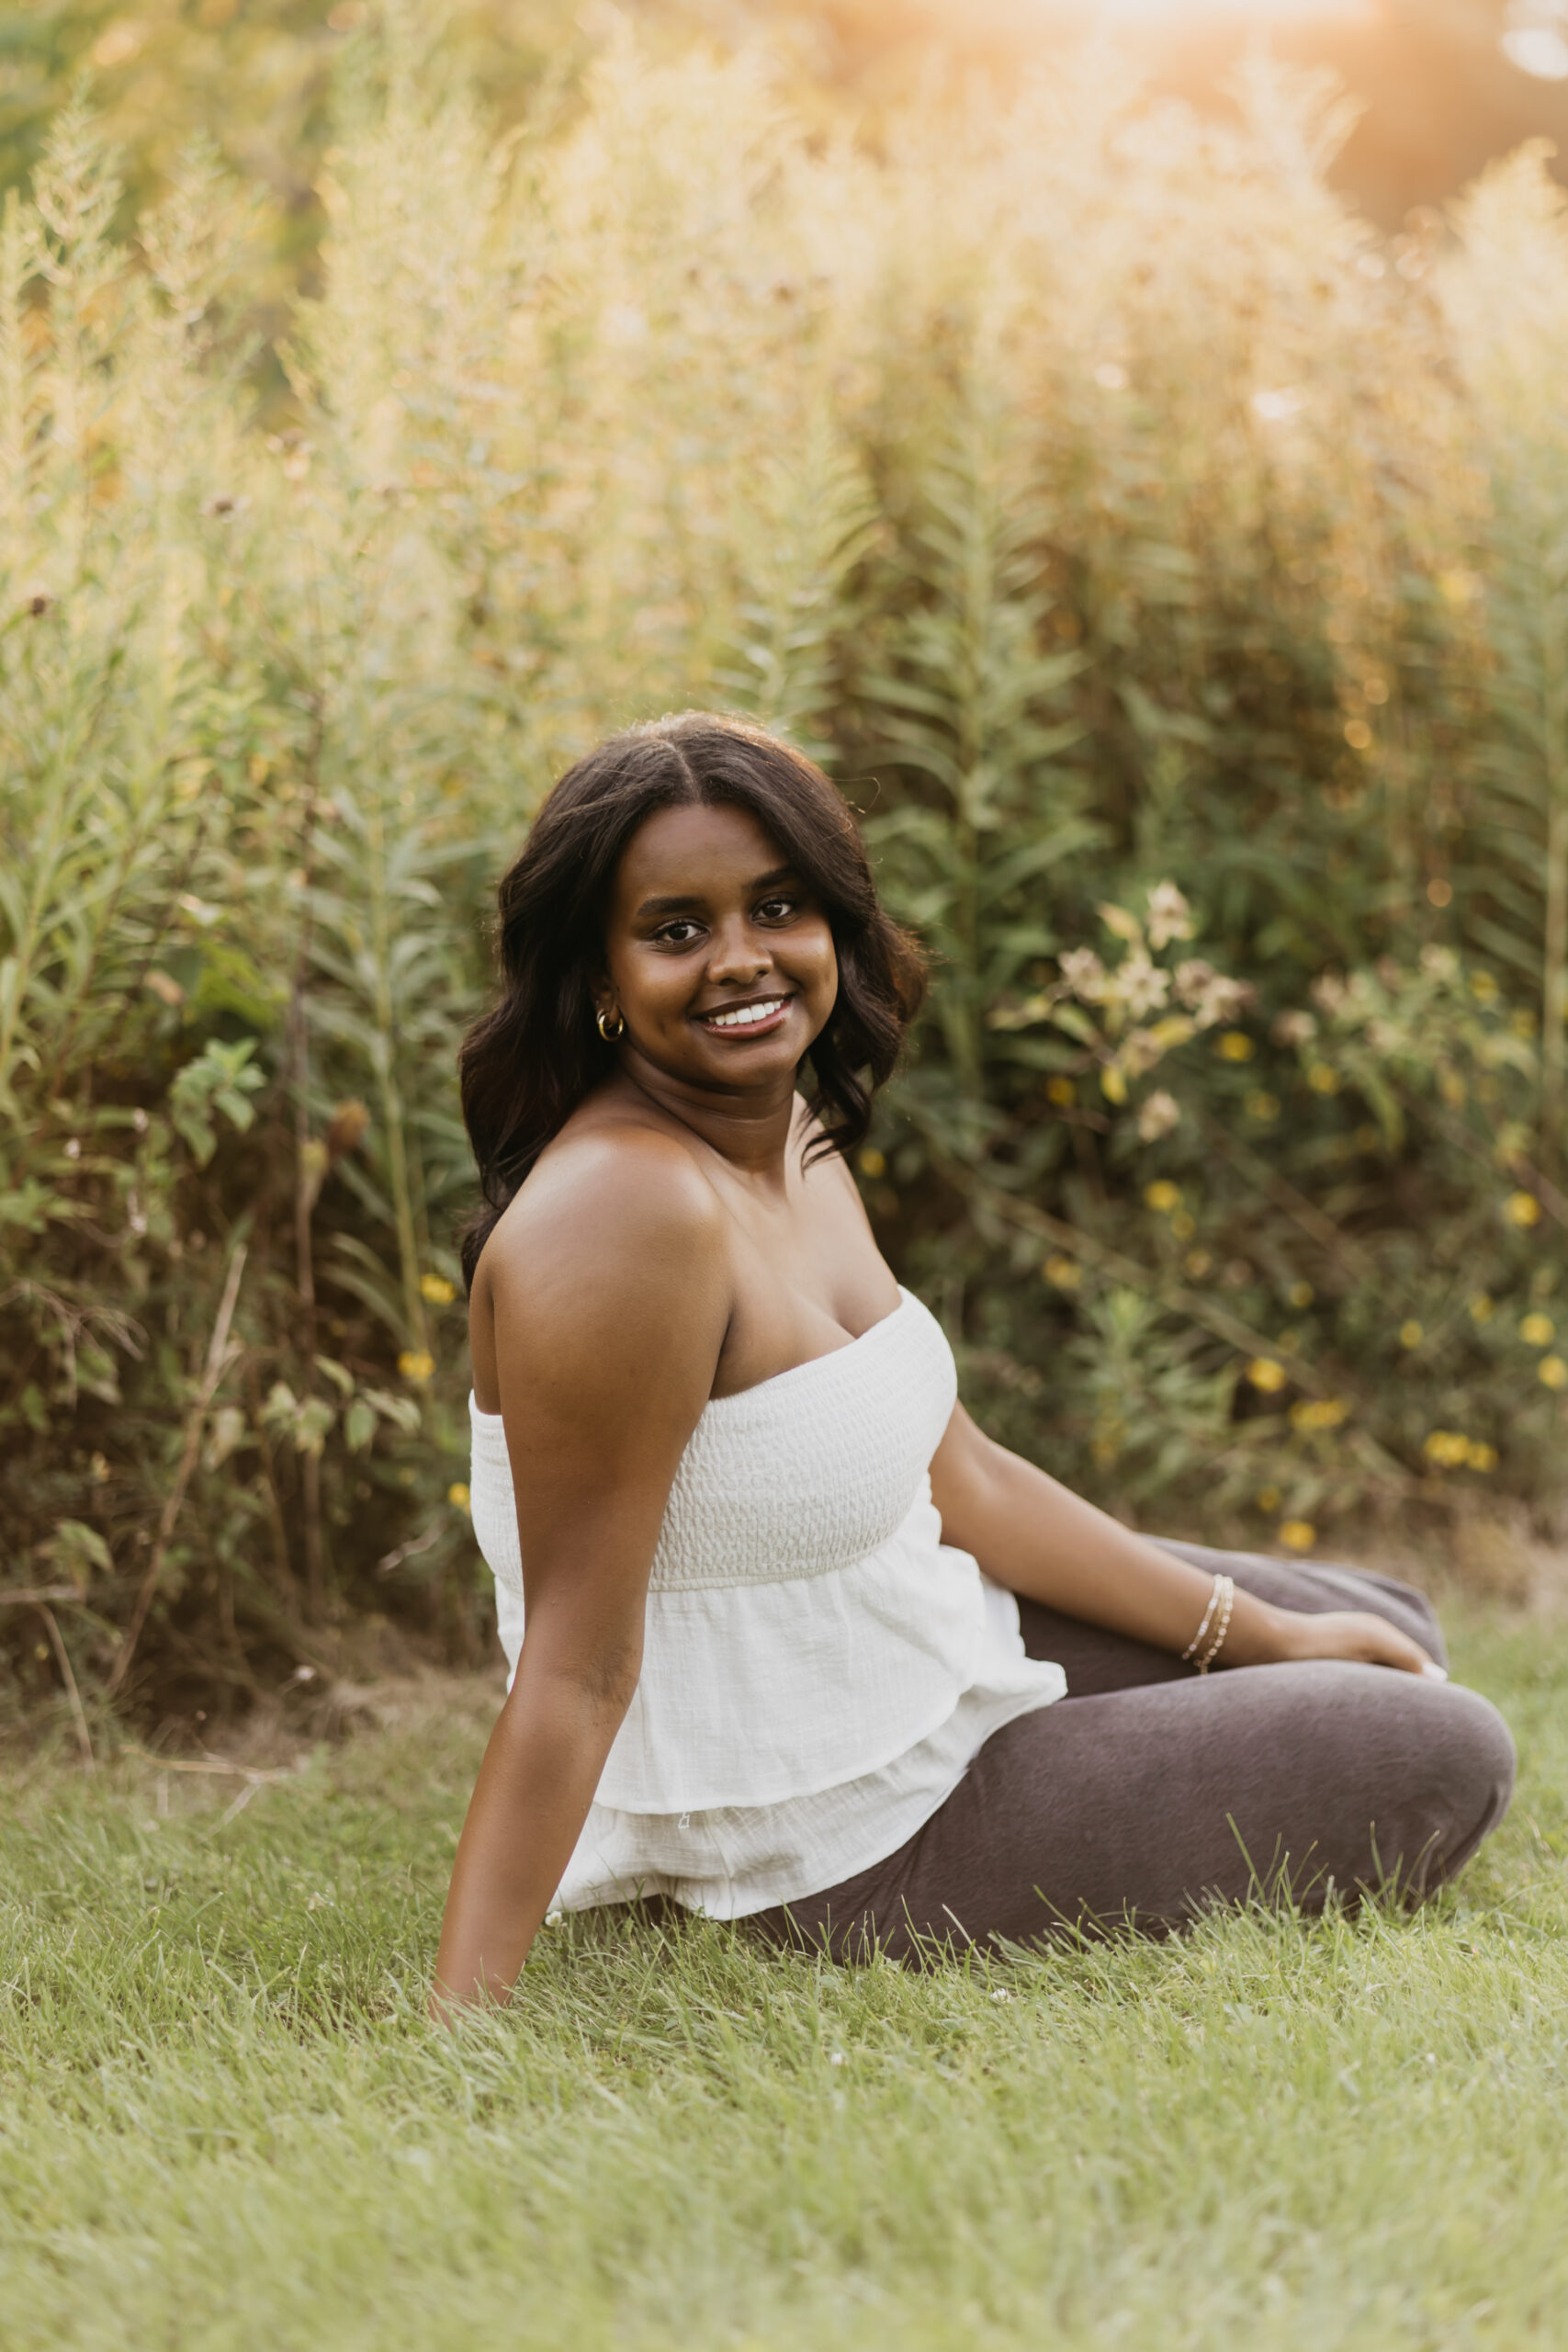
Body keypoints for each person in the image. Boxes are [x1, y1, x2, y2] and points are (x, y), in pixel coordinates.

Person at [432, 712, 1516, 2014]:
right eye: (676, 930)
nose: (742, 961)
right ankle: (767, 1895)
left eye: (778, 907)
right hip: (819, 1842)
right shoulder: (626, 1219)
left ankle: (1219, 1671)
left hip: (920, 1657)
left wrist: (1266, 1634)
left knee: (1381, 1623)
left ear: (833, 920)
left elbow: (965, 1478)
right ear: (599, 974)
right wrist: (465, 2020)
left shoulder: (791, 1139)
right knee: (1444, 1747)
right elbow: (574, 1662)